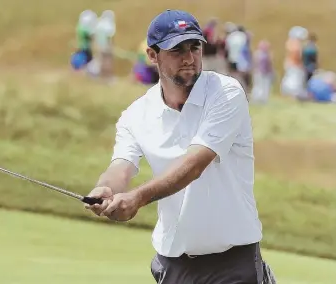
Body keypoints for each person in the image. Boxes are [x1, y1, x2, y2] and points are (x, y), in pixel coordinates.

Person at [85, 9, 276, 284]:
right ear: (152, 55)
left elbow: (194, 164)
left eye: (194, 47)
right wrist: (107, 188)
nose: (189, 58)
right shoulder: (136, 114)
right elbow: (121, 166)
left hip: (233, 264)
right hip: (174, 265)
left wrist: (137, 198)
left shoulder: (227, 93)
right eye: (177, 50)